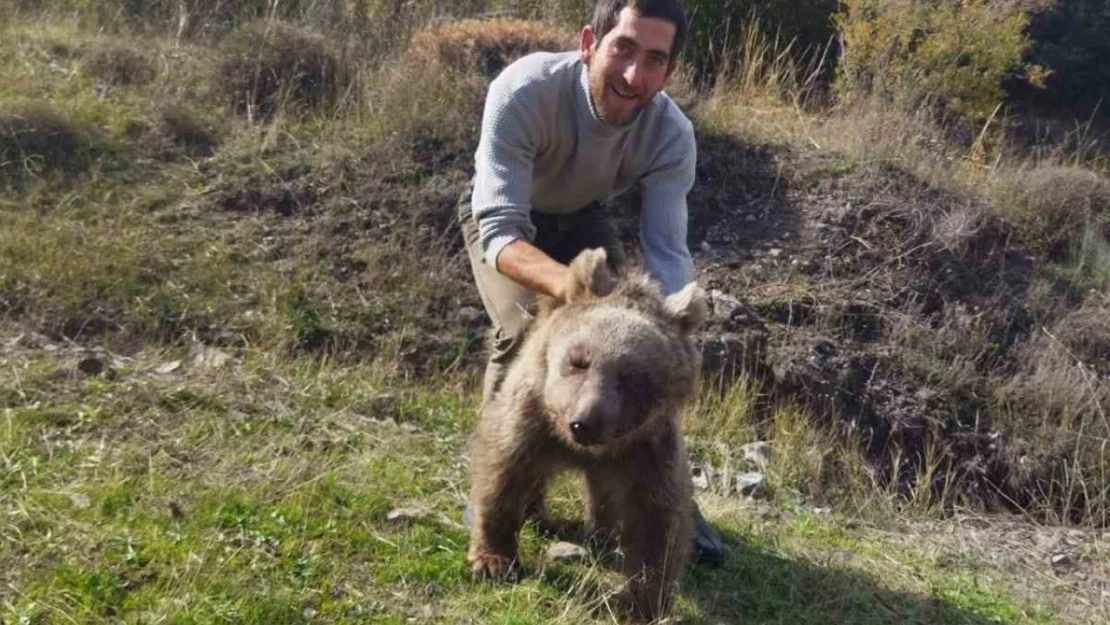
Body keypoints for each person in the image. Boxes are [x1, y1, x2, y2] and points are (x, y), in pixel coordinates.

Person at [459, 0, 725, 566]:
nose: (634, 75)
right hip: (507, 222)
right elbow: (501, 230)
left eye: (654, 59)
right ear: (588, 43)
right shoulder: (525, 90)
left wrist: (672, 334)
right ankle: (501, 499)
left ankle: (662, 497)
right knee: (526, 335)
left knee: (633, 359)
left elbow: (667, 253)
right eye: (622, 49)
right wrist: (574, 297)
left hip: (583, 217)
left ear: (669, 71)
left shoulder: (671, 135)